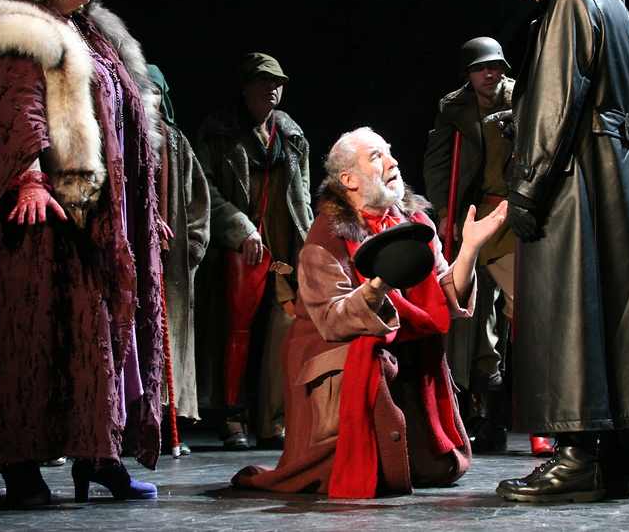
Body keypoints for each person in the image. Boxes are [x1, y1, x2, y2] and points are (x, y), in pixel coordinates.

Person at [0, 0, 165, 505]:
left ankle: (99, 457)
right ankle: (21, 466)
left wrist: (144, 209)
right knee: (33, 332)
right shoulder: (21, 33)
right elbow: (17, 108)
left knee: (100, 335)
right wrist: (29, 176)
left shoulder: (94, 35)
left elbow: (124, 122)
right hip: (44, 216)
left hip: (98, 214)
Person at [231, 127, 508, 497]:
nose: (393, 162)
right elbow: (331, 318)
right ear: (349, 179)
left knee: (435, 468)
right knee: (364, 470)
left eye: (389, 152)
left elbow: (447, 297)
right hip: (336, 358)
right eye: (377, 156)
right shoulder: (327, 236)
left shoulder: (415, 224)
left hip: (399, 351)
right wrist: (377, 286)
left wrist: (470, 248)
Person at [496, 0, 629, 503]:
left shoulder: (570, 0)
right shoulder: (616, 6)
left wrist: (526, 188)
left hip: (577, 184)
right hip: (621, 182)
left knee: (569, 312)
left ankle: (575, 460)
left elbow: (555, 102)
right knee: (614, 317)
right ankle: (618, 461)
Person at [193, 53, 313, 450]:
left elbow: (302, 196)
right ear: (244, 87)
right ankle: (233, 420)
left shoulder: (291, 133)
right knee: (235, 332)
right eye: (263, 81)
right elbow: (203, 189)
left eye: (278, 82)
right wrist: (238, 227)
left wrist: (308, 241)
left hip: (282, 248)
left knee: (283, 328)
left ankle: (272, 421)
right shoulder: (219, 131)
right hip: (237, 250)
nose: (272, 88)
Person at [422, 37, 526, 454]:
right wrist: (442, 211)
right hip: (476, 218)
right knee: (475, 320)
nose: (489, 73)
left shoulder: (524, 97)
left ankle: (540, 411)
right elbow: (438, 161)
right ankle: (485, 419)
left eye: (495, 66)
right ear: (467, 74)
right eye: (481, 67)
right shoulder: (454, 107)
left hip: (514, 216)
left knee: (526, 313)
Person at [148, 65, 211, 453]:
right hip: (129, 261)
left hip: (169, 264)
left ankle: (162, 426)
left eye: (156, 91)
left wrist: (192, 247)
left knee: (166, 340)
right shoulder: (117, 134)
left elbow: (198, 201)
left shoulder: (175, 141)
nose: (150, 97)